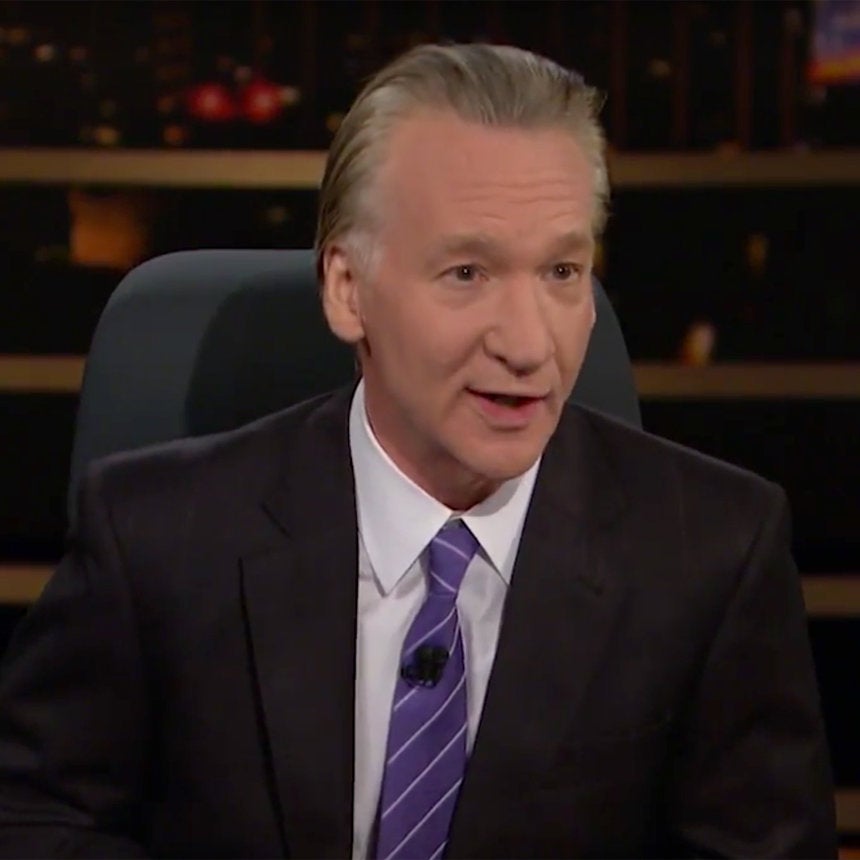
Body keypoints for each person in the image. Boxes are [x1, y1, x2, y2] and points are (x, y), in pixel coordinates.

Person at [0, 43, 836, 859]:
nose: (528, 345)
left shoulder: (714, 554)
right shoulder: (156, 538)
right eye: (468, 273)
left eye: (561, 272)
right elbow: (33, 818)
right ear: (348, 290)